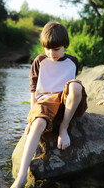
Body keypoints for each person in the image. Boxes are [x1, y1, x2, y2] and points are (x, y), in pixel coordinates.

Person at [11, 22, 87, 188]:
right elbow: (34, 93)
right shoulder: (39, 62)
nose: (52, 53)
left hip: (67, 102)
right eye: (48, 49)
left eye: (56, 49)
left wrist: (64, 125)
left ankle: (63, 128)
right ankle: (22, 176)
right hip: (46, 102)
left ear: (65, 45)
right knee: (38, 123)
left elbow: (71, 86)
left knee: (75, 85)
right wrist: (31, 120)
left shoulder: (73, 61)